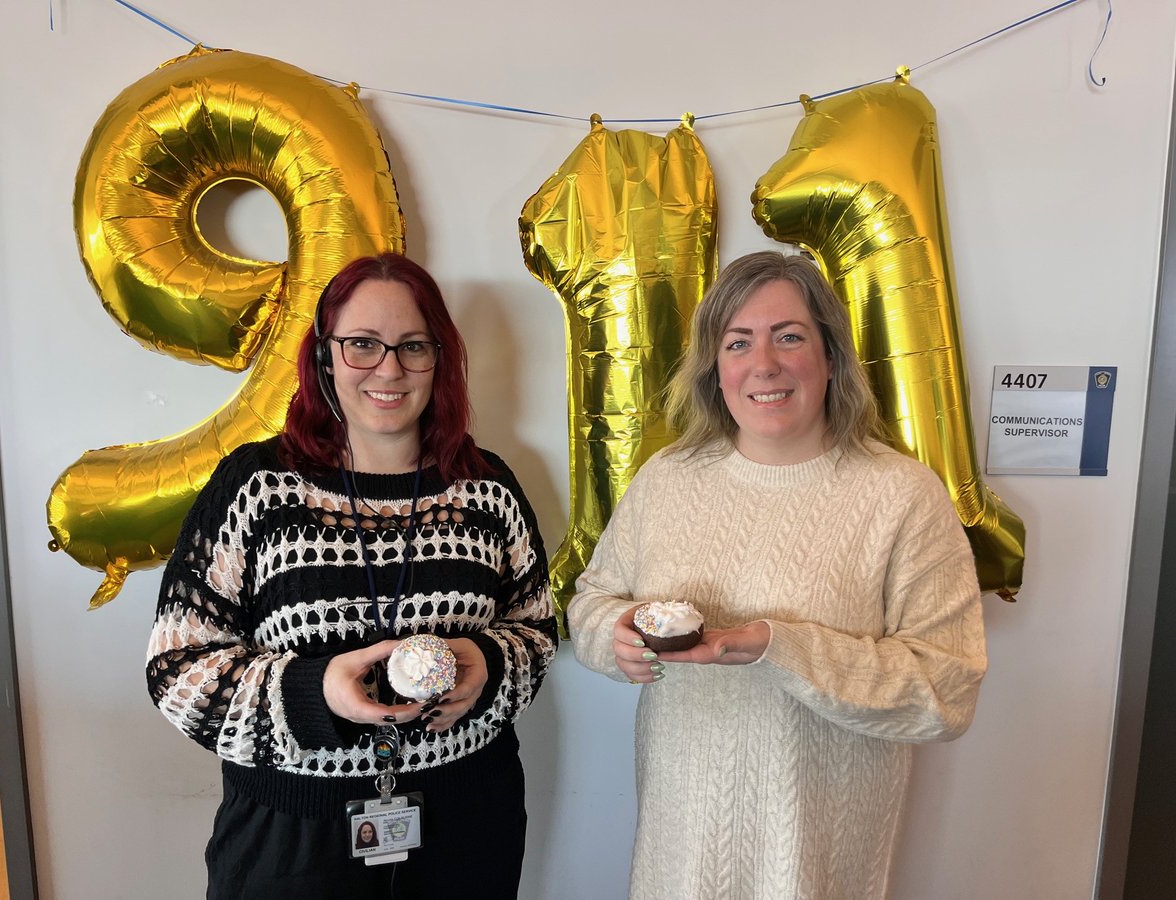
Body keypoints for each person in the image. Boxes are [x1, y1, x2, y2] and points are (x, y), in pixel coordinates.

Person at [568, 250, 987, 899]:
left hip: (816, 866)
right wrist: (614, 634)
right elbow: (593, 601)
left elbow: (945, 689)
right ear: (716, 367)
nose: (764, 364)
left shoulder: (901, 496)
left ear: (830, 356)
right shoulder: (667, 481)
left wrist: (776, 646)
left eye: (788, 337)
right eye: (739, 342)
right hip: (678, 854)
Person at [147, 253, 557, 899]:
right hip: (292, 836)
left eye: (413, 346)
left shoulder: (489, 487)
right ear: (324, 357)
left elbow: (536, 630)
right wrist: (312, 695)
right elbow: (176, 667)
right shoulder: (257, 487)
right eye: (362, 344)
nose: (388, 369)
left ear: (439, 360)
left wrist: (490, 663)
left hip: (468, 826)